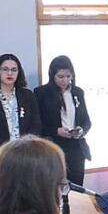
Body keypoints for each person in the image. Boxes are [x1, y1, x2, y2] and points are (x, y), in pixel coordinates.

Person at [0, 53, 41, 168]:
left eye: (14, 70)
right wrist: (8, 148)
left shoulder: (28, 96)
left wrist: (23, 145)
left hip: (25, 156)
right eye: (5, 69)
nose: (10, 73)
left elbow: (36, 125)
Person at [34, 55, 91, 185]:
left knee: (76, 189)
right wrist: (56, 131)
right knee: (54, 187)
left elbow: (87, 121)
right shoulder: (41, 93)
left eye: (68, 76)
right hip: (53, 146)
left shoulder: (78, 92)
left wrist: (81, 130)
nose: (65, 80)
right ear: (52, 75)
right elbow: (37, 125)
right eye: (60, 76)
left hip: (76, 147)